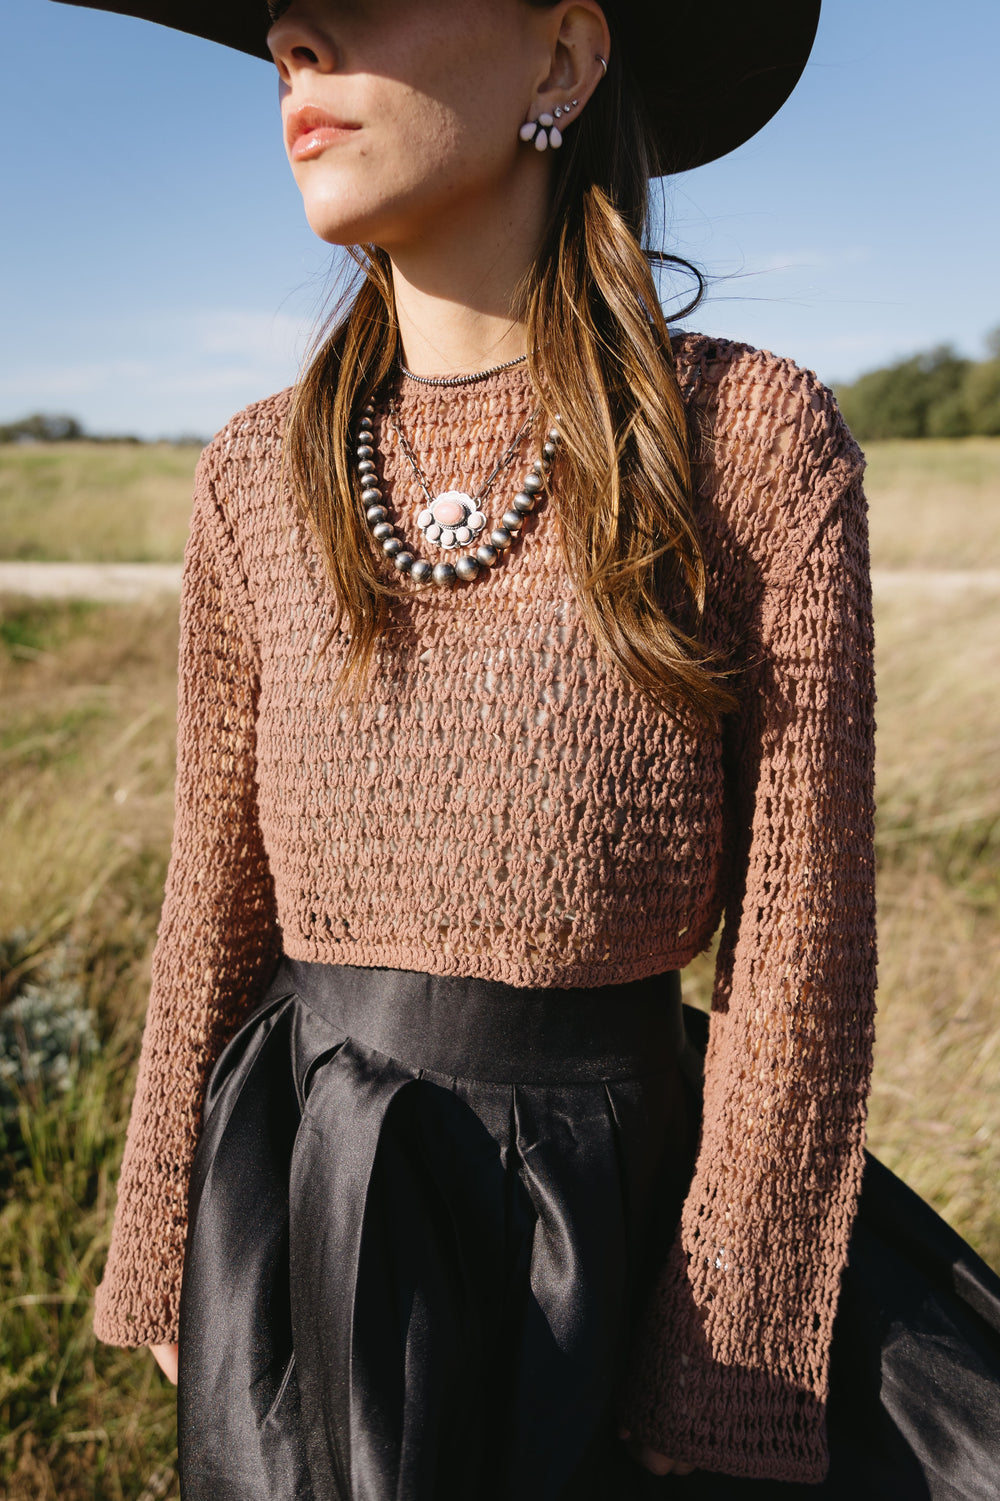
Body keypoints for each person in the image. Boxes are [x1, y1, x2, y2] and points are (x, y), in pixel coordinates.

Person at [54, 0, 1000, 1497]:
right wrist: (169, 1232)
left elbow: (799, 953)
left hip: (610, 1248)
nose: (297, 37)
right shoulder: (255, 474)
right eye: (284, 20)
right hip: (304, 1221)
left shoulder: (750, 445)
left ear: (563, 57)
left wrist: (724, 1350)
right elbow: (214, 903)